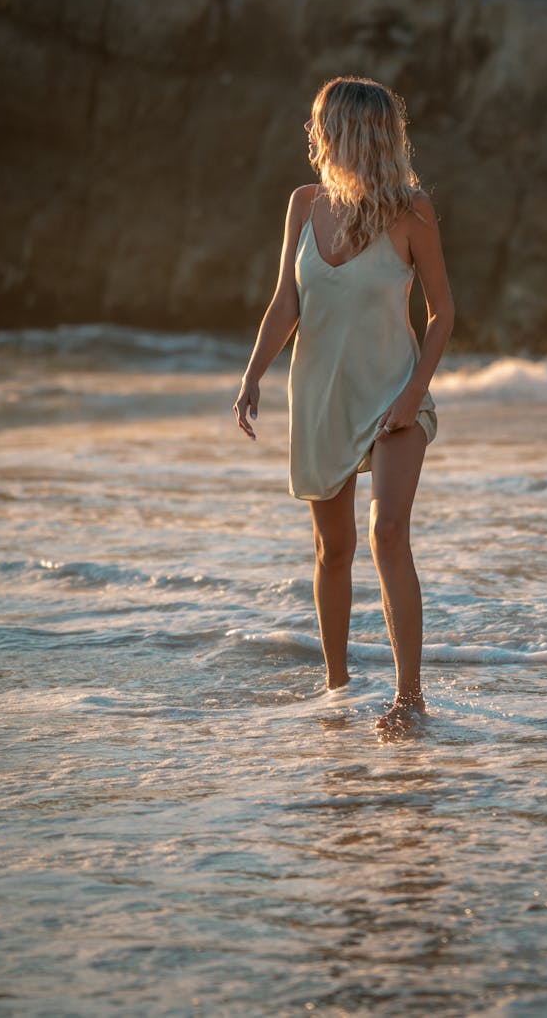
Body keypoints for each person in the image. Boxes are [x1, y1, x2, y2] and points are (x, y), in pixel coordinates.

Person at [233, 76, 454, 733]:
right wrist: (253, 375)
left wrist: (415, 394)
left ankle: (408, 698)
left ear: (353, 133)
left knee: (389, 535)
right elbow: (287, 303)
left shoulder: (412, 213)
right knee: (335, 548)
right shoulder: (304, 205)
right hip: (322, 394)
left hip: (395, 393)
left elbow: (443, 313)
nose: (315, 134)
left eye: (323, 124)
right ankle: (336, 693)